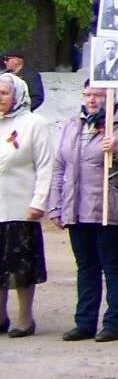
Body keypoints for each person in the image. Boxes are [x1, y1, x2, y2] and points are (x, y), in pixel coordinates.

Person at [48, 83, 118, 343]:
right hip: (77, 209)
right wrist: (56, 204)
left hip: (111, 208)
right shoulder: (74, 124)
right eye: (88, 95)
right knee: (86, 267)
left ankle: (114, 323)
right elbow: (60, 166)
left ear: (110, 97)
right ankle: (84, 322)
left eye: (98, 95)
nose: (92, 100)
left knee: (114, 267)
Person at [0, 73, 53, 338]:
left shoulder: (34, 123)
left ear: (17, 95)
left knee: (21, 266)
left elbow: (45, 166)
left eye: (3, 94)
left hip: (22, 206)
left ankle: (24, 317)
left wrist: (39, 201)